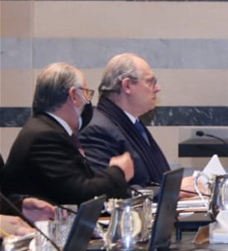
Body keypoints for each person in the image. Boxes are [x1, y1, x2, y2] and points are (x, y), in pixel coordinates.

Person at [1, 62, 134, 205]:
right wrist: (118, 172)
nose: (88, 101)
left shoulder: (48, 129)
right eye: (86, 93)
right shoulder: (44, 137)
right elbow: (81, 195)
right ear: (74, 95)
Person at [81, 53, 173, 187]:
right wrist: (171, 189)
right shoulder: (97, 130)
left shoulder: (132, 122)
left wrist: (175, 188)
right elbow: (108, 191)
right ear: (127, 85)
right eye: (150, 82)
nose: (157, 88)